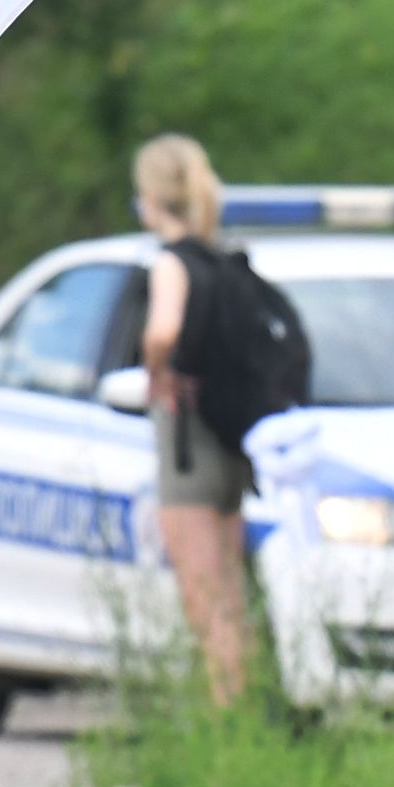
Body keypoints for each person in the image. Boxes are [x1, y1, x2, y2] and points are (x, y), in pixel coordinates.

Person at [130, 133, 256, 707]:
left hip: (187, 446)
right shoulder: (222, 259)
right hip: (230, 442)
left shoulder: (171, 262)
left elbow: (163, 330)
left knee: (205, 601)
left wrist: (155, 368)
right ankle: (244, 707)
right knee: (231, 594)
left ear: (151, 197)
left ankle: (228, 721)